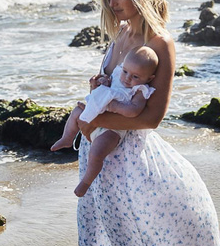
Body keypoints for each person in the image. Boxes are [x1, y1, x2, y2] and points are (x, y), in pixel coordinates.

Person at [75, 0, 220, 246]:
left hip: (132, 163)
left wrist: (94, 121)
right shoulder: (120, 33)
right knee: (113, 244)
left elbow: (151, 118)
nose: (112, 3)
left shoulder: (160, 43)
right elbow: (115, 92)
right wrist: (96, 90)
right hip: (99, 158)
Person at [50, 45, 158, 197]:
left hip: (114, 128)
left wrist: (115, 106)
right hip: (96, 114)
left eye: (135, 77)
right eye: (125, 71)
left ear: (149, 78)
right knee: (76, 111)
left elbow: (134, 110)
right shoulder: (118, 75)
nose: (127, 78)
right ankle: (67, 138)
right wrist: (101, 85)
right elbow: (101, 93)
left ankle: (86, 182)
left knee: (97, 152)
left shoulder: (140, 90)